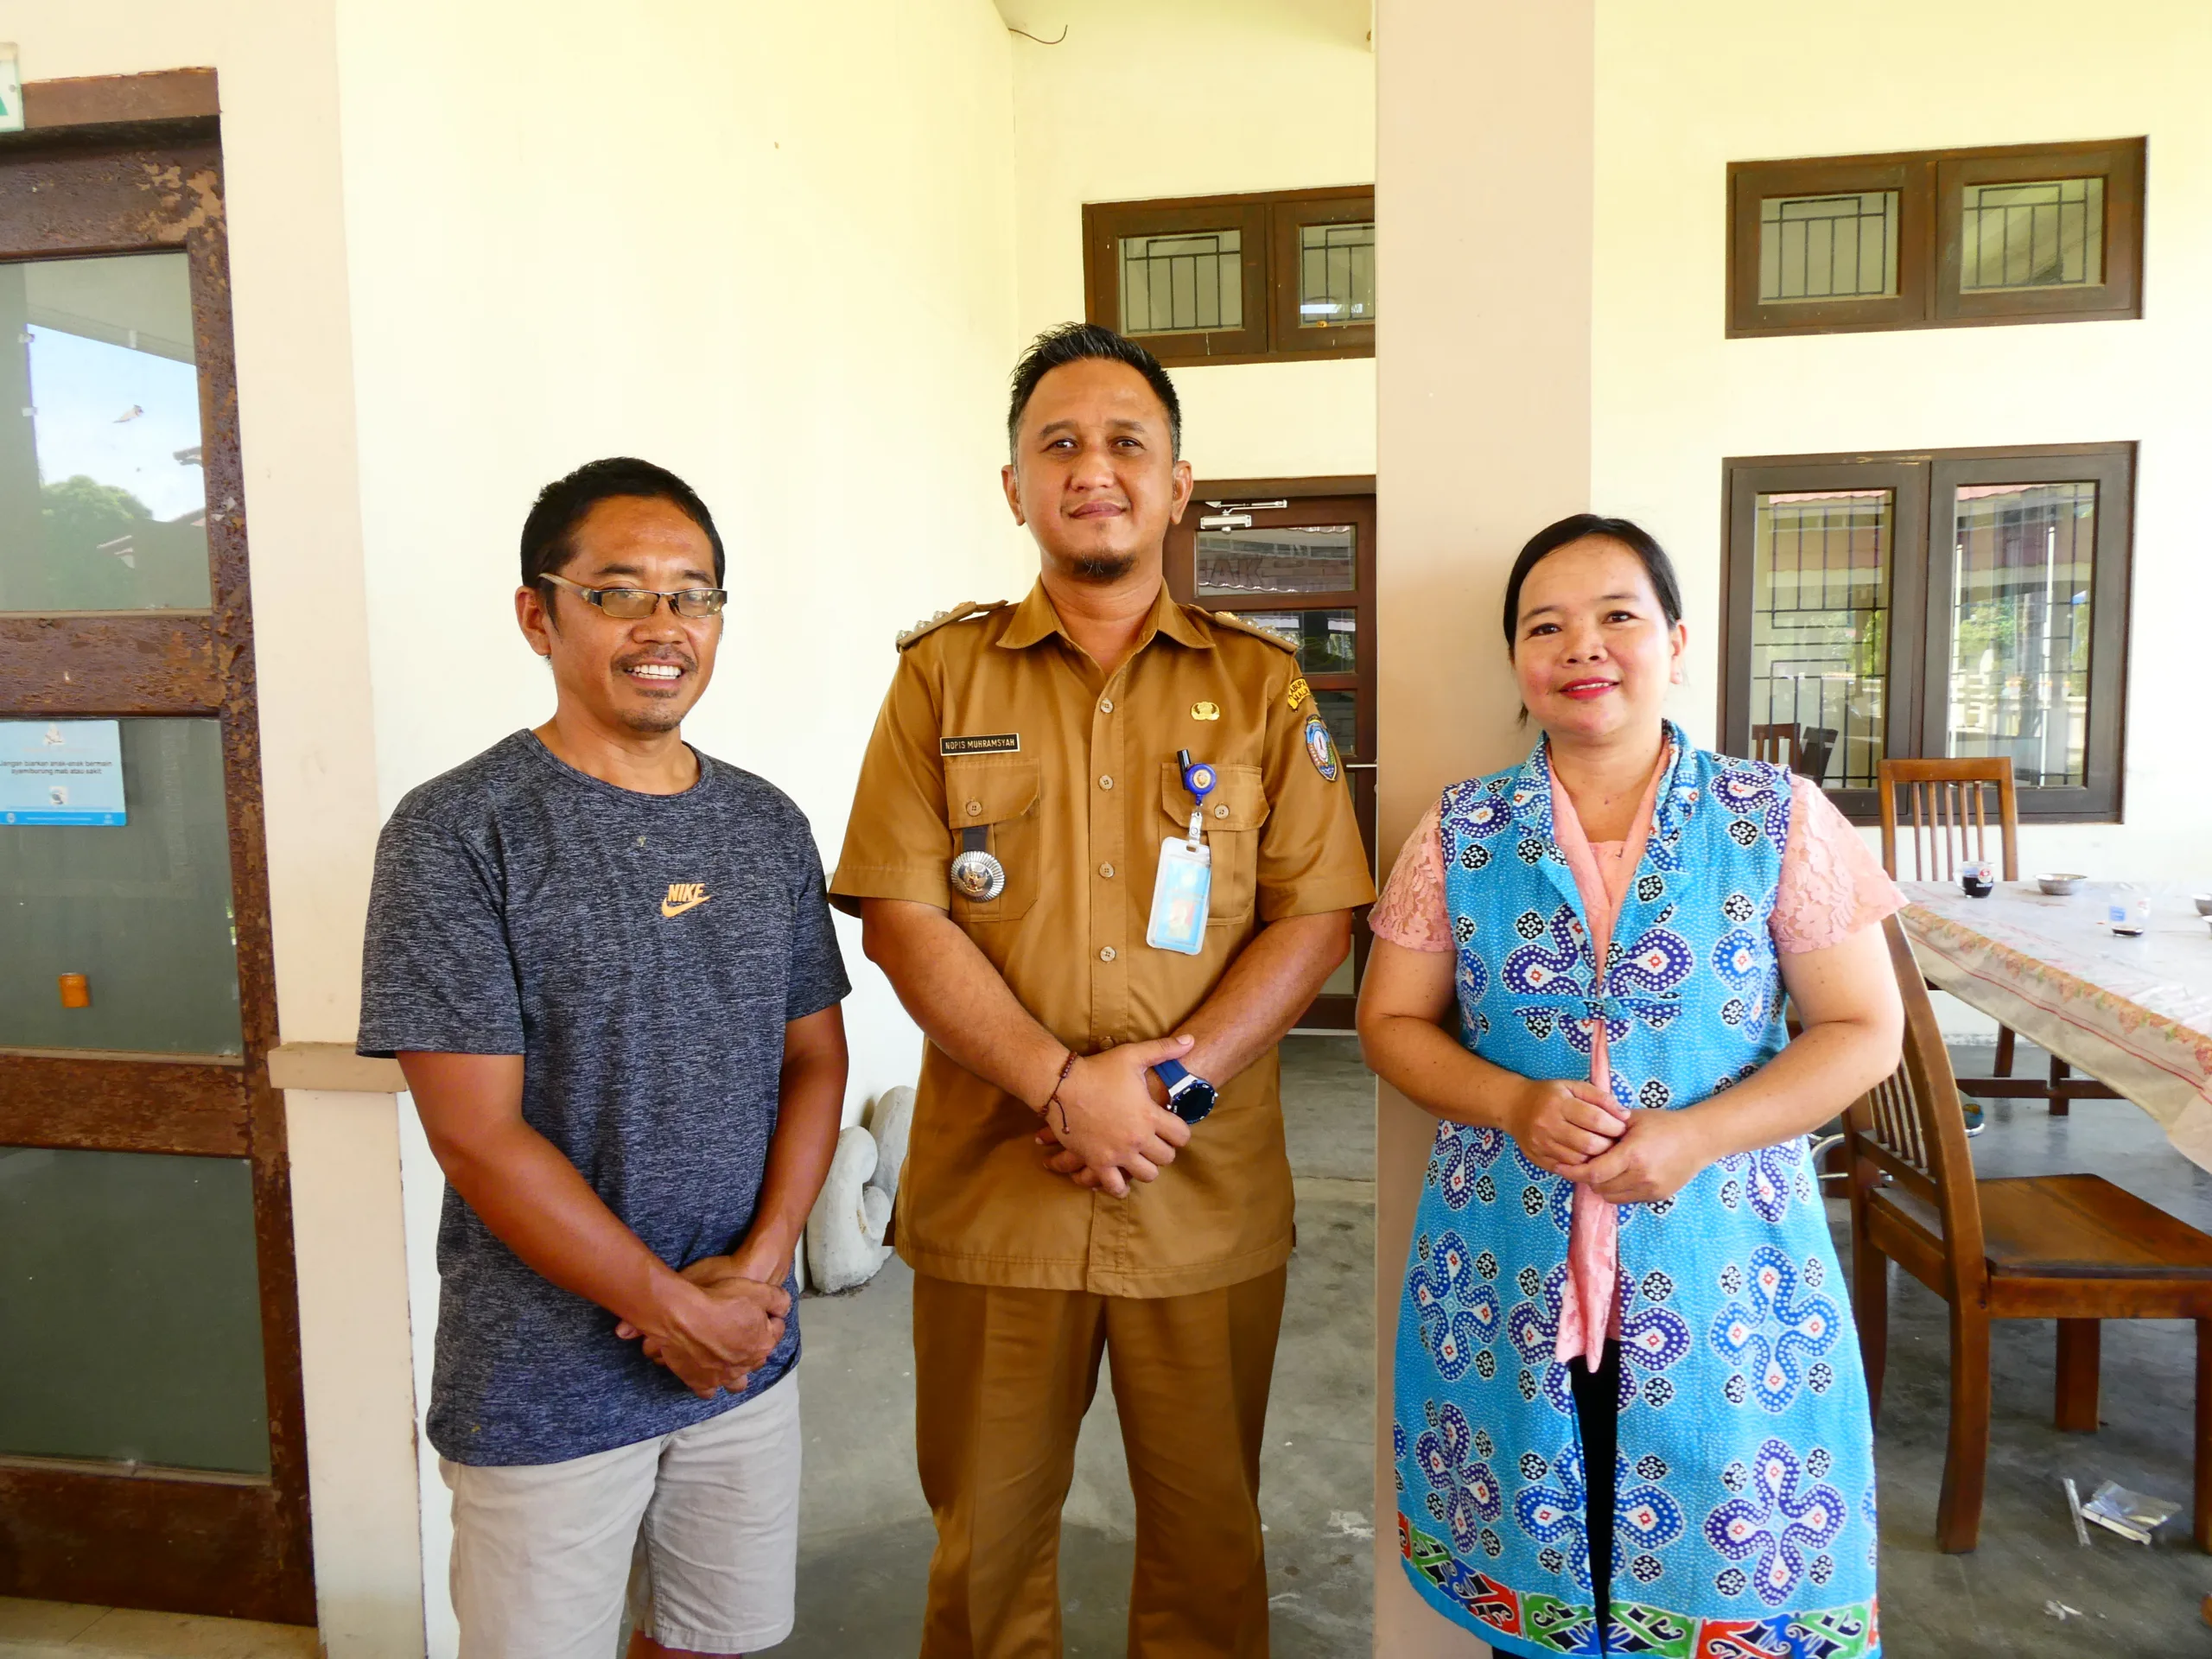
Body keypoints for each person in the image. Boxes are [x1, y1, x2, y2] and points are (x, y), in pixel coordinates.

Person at [831, 322, 1375, 1657]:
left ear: (1178, 485)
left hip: (1202, 1186)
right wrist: (1066, 1087)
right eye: (1057, 444)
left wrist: (1166, 1085)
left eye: (1127, 442)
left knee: (1207, 1546)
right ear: (1013, 486)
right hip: (994, 1189)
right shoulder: (938, 679)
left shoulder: (1259, 685)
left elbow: (1321, 917)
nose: (1094, 469)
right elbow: (903, 919)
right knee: (985, 1549)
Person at [1358, 515, 1904, 1657]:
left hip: (1723, 1277)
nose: (1583, 647)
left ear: (1677, 641)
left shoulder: (1775, 816)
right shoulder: (1462, 831)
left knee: (1712, 1551)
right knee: (1541, 1560)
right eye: (1545, 625)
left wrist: (1698, 1134)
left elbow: (1862, 1031)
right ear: (1517, 660)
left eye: (1619, 617)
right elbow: (1390, 1024)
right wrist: (1513, 1102)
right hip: (1508, 1261)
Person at [357, 457, 850, 1659]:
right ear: (539, 613)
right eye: (619, 592)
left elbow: (816, 1064)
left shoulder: (764, 821)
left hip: (743, 1354)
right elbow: (477, 1134)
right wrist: (669, 1307)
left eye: (693, 595)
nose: (662, 626)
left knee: (713, 1644)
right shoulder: (456, 833)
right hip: (542, 1382)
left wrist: (755, 1279)